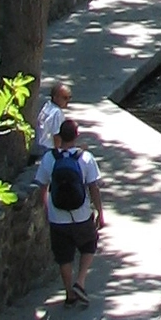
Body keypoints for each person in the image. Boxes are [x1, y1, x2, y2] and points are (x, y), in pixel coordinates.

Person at [35, 119, 105, 308]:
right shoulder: (86, 158)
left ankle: (69, 294)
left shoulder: (49, 158)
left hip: (58, 218)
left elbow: (42, 188)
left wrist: (46, 210)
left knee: (63, 256)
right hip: (82, 215)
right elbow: (93, 188)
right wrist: (100, 212)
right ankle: (80, 281)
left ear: (59, 136)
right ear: (76, 136)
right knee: (89, 245)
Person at [34, 82, 71, 154]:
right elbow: (56, 136)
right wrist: (58, 154)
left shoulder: (47, 106)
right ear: (55, 97)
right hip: (49, 149)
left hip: (39, 146)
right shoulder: (57, 113)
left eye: (69, 98)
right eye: (65, 98)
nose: (68, 101)